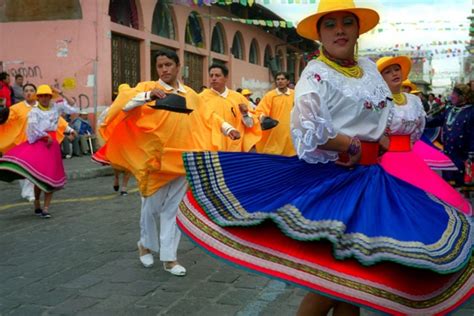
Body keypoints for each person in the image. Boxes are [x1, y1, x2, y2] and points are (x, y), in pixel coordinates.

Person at [176, 1, 473, 315]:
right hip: (336, 180)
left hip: (374, 178)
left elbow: (380, 118)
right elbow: (308, 130)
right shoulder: (315, 74)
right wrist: (352, 145)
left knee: (355, 284)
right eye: (330, 25)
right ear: (319, 33)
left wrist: (385, 144)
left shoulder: (370, 69)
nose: (340, 30)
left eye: (347, 22)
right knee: (336, 281)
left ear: (359, 29)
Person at [95, 50, 235, 275]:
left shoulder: (190, 93)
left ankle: (170, 258)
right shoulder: (147, 87)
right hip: (154, 159)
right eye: (160, 66)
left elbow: (209, 116)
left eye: (169, 65)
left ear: (178, 66)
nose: (164, 70)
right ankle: (145, 245)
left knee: (174, 210)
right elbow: (124, 106)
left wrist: (228, 129)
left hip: (181, 159)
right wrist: (148, 96)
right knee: (150, 208)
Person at [376, 56, 471, 214]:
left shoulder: (414, 100)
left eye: (396, 69)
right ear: (380, 77)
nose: (394, 74)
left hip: (410, 156)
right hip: (383, 159)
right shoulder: (378, 101)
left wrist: (409, 145)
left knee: (424, 201)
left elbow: (419, 128)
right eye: (388, 71)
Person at [0, 85, 78, 218]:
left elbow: (72, 106)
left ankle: (46, 208)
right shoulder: (34, 111)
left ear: (50, 96)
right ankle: (36, 200)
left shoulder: (55, 107)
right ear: (39, 97)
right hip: (39, 145)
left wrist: (61, 93)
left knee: (51, 177)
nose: (44, 98)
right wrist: (44, 136)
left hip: (52, 146)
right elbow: (33, 129)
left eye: (47, 96)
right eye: (41, 96)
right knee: (39, 177)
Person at [200, 64, 261, 152]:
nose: (213, 78)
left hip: (235, 147)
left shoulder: (239, 98)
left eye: (217, 75)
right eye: (211, 75)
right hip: (211, 148)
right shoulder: (201, 98)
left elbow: (250, 125)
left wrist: (245, 114)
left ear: (226, 77)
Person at [426, 83, 474, 193]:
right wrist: (421, 121)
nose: (451, 96)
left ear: (463, 96)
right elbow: (436, 121)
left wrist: (471, 154)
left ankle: (464, 207)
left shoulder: (471, 111)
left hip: (464, 156)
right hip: (448, 154)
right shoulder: (449, 110)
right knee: (448, 186)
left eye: (454, 94)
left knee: (462, 188)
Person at [255, 71, 295, 156]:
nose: (280, 81)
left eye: (282, 79)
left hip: (291, 132)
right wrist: (263, 118)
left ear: (288, 81)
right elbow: (260, 111)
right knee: (274, 156)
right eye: (278, 79)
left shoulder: (295, 95)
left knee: (291, 155)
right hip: (275, 132)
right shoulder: (270, 95)